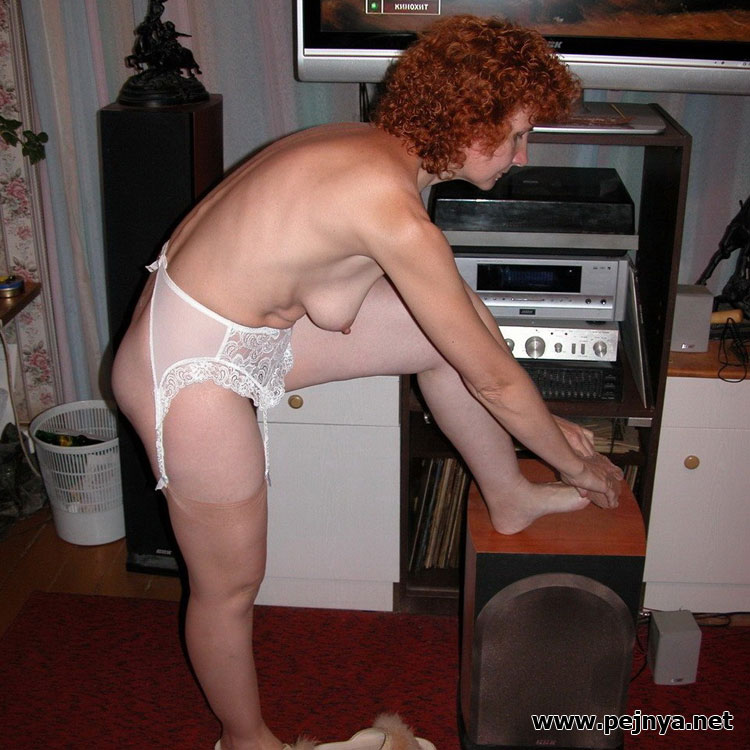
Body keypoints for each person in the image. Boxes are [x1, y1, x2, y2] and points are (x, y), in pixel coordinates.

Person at [111, 14, 624, 750]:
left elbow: (470, 335)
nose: (523, 154)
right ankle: (245, 739)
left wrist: (541, 431)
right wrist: (573, 459)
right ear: (465, 122)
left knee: (446, 330)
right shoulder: (389, 207)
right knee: (229, 587)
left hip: (240, 331)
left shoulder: (378, 153)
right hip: (188, 370)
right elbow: (494, 382)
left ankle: (507, 494)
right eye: (514, 135)